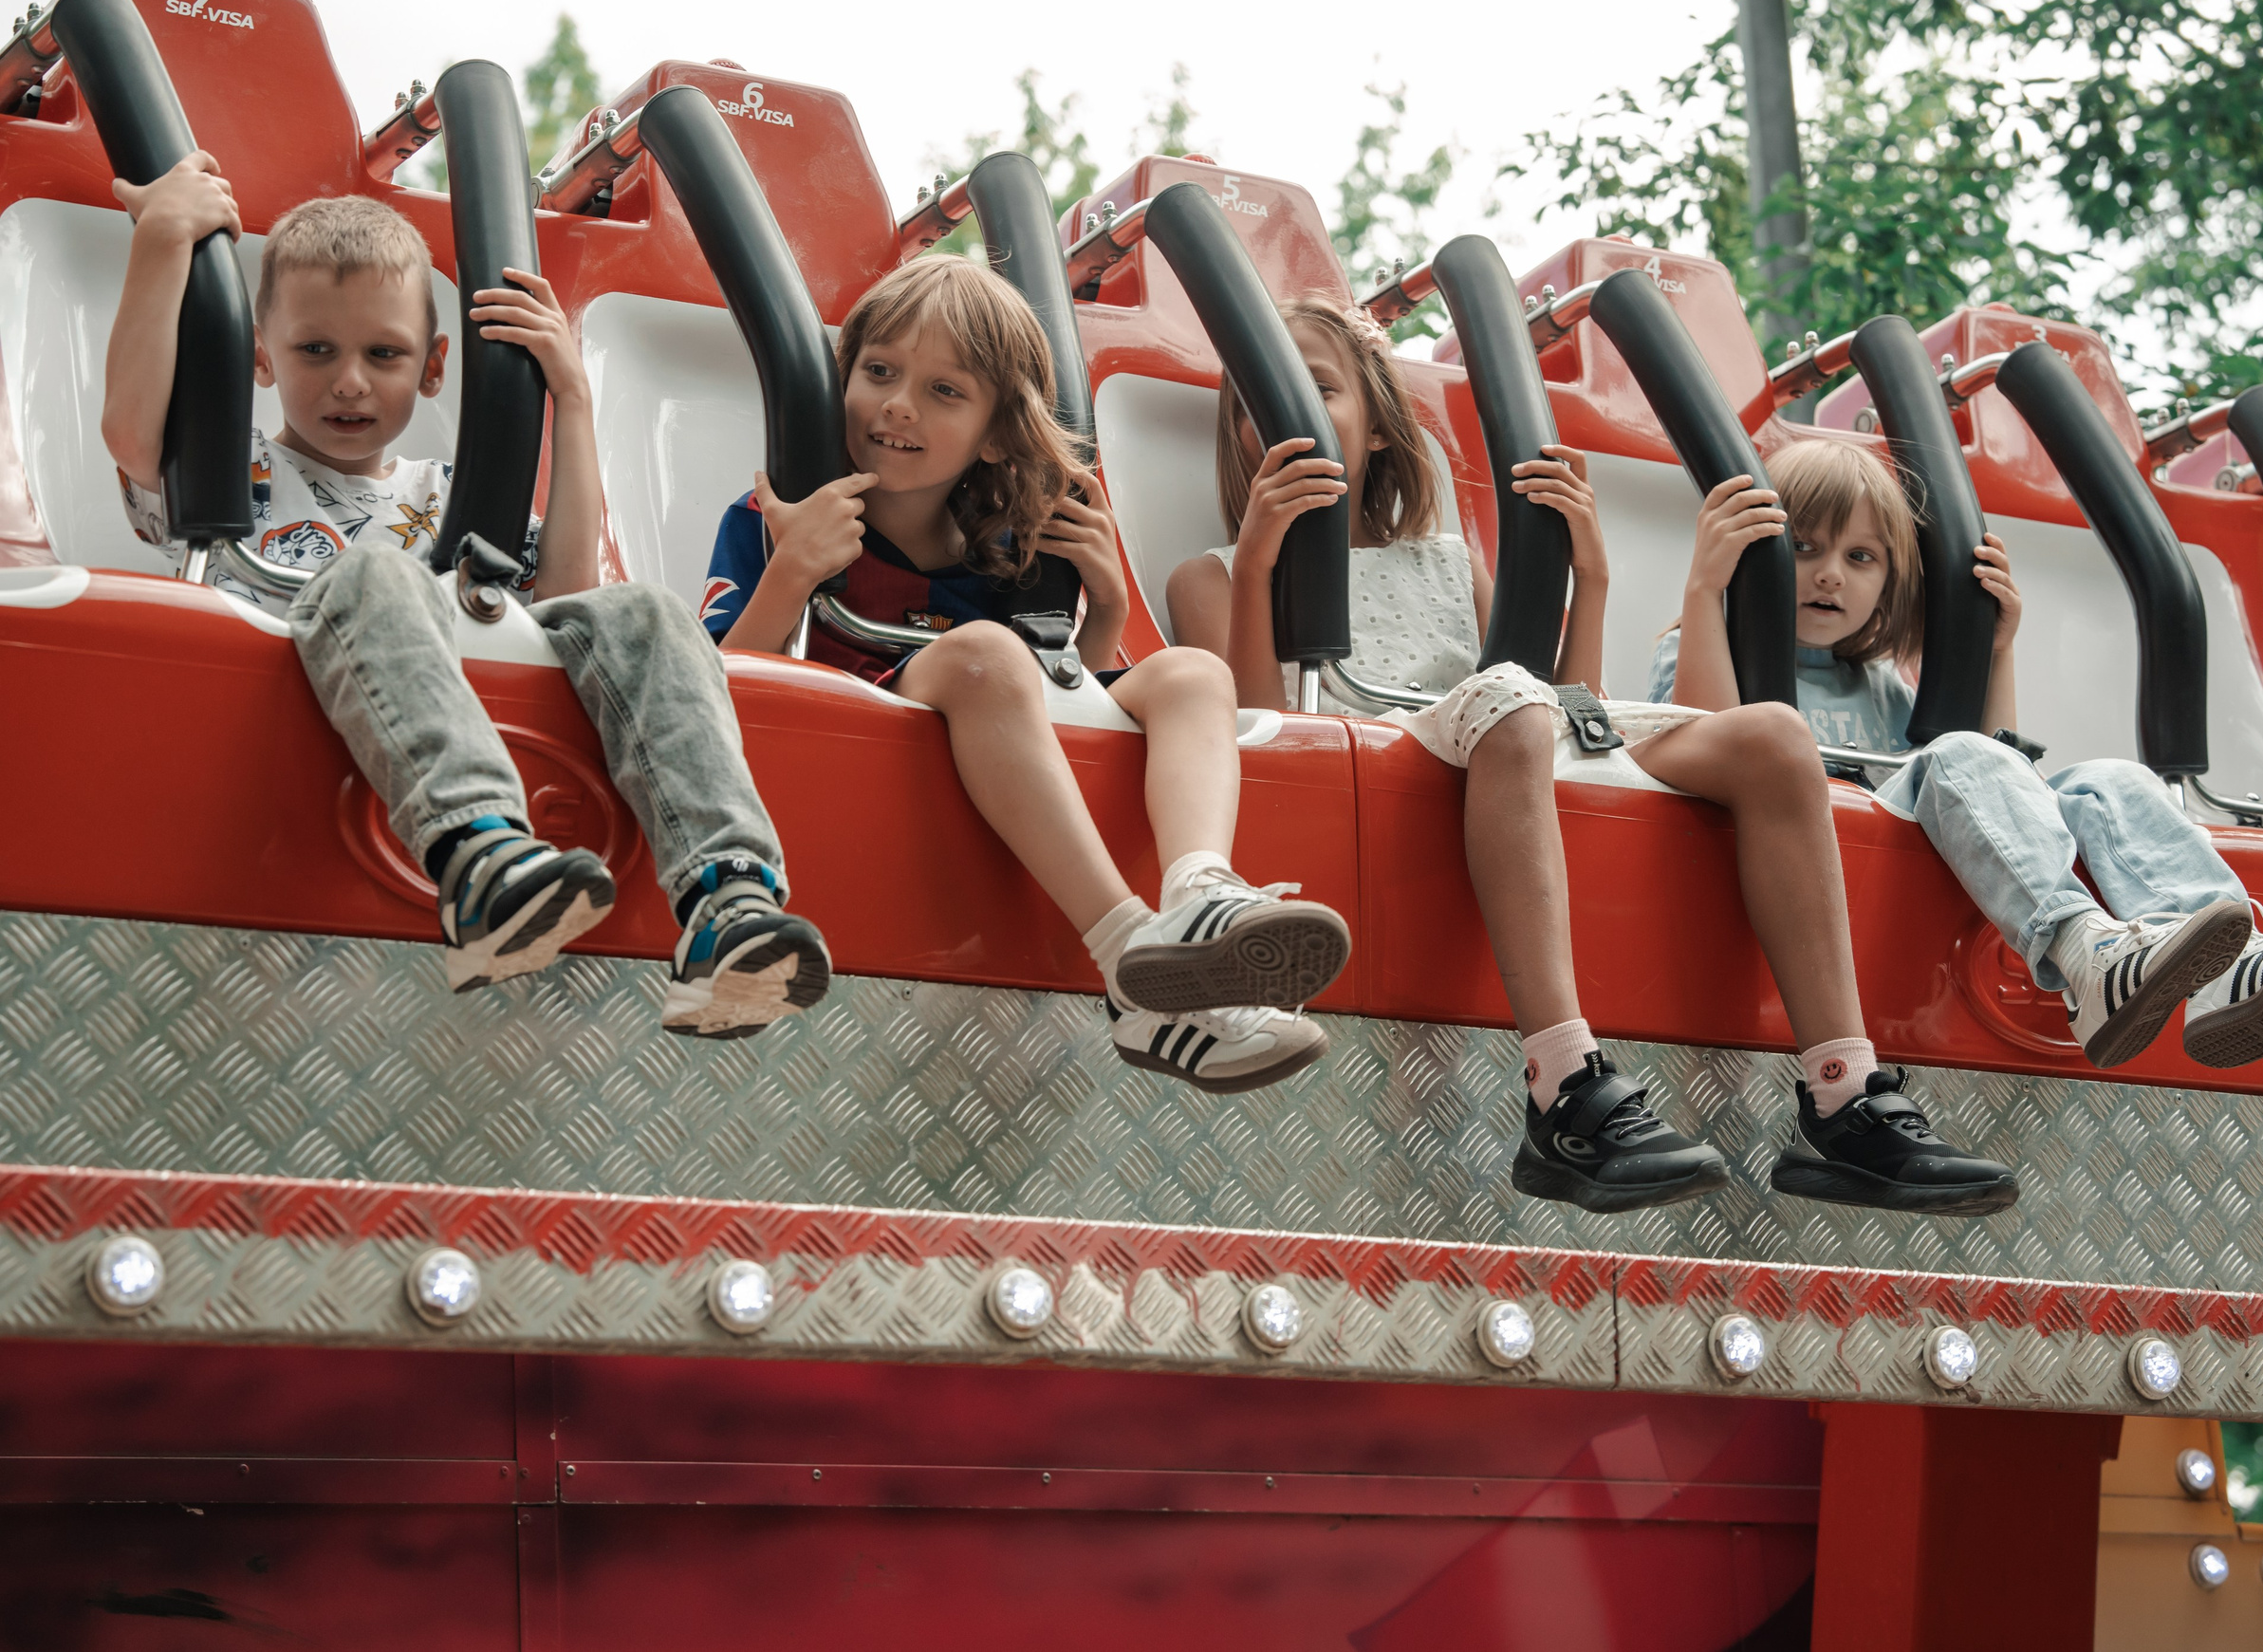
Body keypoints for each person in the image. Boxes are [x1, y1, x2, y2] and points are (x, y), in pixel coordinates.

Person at [1165, 296, 2016, 1216]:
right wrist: (1259, 564)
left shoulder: (1448, 562)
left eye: (1314, 389)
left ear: (1376, 424)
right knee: (1517, 707)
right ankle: (1564, 1085)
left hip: (1514, 729)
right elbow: (1258, 732)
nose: (1277, 415)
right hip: (1391, 738)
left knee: (1774, 735)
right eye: (1252, 402)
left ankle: (1844, 1098)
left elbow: (1555, 702)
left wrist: (1592, 579)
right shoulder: (1209, 573)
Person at [102, 157, 829, 1039]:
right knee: (377, 572)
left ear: (435, 367)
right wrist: (162, 241)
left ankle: (730, 906)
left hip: (470, 686)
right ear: (262, 353)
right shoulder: (231, 466)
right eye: (315, 350)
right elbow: (134, 432)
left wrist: (573, 398)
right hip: (302, 701)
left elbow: (564, 592)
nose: (350, 382)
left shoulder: (450, 489)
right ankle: (483, 862)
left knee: (648, 612)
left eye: (384, 354)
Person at [702, 257, 1350, 1091]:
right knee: (989, 650)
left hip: (978, 727)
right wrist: (792, 572)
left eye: (945, 391)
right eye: (880, 372)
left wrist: (1105, 615)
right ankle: (1128, 955)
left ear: (999, 433)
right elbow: (717, 686)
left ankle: (1197, 894)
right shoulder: (775, 517)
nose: (898, 403)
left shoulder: (1011, 553)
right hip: (847, 739)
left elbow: (1048, 707)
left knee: (1191, 674)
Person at [1656, 436, 2263, 1069]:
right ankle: (2082, 949)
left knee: (2111, 780)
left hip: (1905, 875)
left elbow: (1999, 780)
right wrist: (1706, 588)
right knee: (1957, 755)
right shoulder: (1705, 646)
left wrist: (1996, 655)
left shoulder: (1879, 687)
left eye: (1860, 556)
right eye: (1803, 547)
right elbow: (1704, 735)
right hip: (1819, 878)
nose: (1830, 574)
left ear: (1891, 581)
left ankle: (2227, 960)